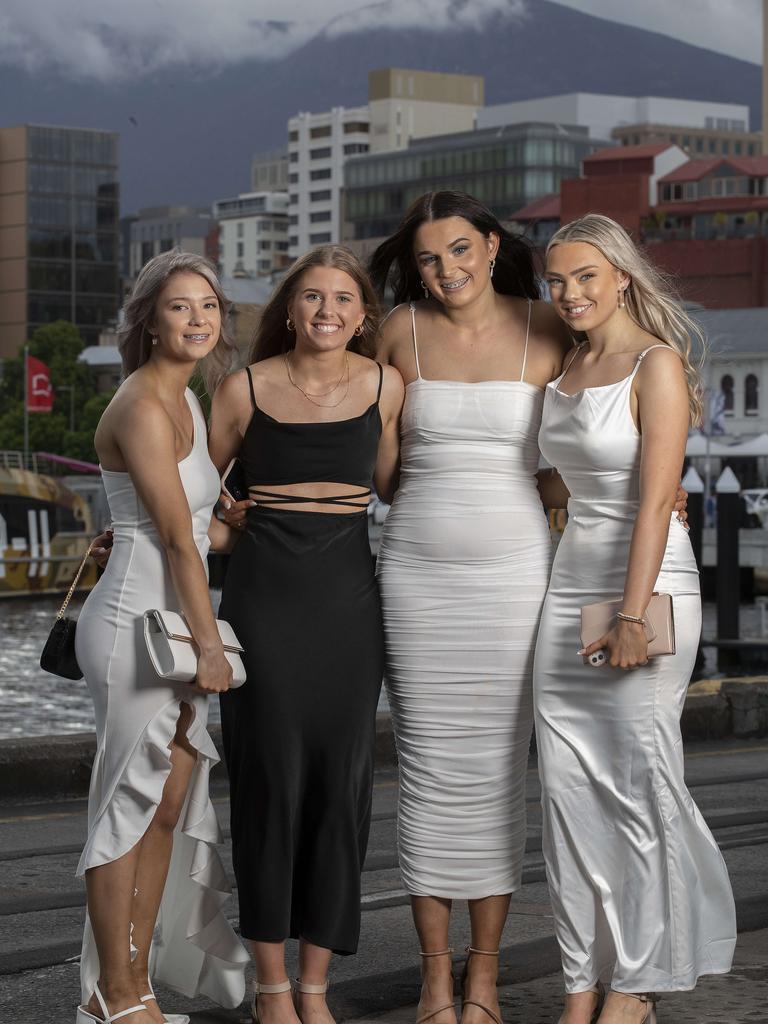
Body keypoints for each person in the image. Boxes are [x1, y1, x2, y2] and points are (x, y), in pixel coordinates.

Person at [368, 191, 574, 1024]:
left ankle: (483, 977)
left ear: (492, 247)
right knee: (422, 767)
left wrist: (646, 494)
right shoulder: (397, 333)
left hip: (517, 575)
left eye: (460, 251)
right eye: (428, 259)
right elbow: (382, 476)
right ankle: (433, 977)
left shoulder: (549, 327)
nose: (445, 270)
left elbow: (564, 470)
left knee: (498, 773)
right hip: (414, 572)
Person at [534, 214, 735, 1024]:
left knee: (639, 786)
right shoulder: (568, 365)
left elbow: (654, 499)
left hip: (643, 591)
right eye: (557, 281)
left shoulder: (657, 366)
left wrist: (628, 613)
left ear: (621, 276)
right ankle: (581, 983)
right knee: (567, 794)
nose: (570, 293)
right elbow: (564, 483)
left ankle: (638, 984)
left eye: (585, 276)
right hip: (566, 587)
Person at [212, 245, 403, 1024]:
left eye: (344, 300)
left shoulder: (388, 387)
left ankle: (316, 985)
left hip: (351, 609)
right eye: (312, 298)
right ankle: (270, 987)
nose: (328, 311)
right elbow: (191, 493)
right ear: (287, 310)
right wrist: (224, 520)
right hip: (263, 605)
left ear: (364, 317)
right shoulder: (241, 387)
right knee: (269, 783)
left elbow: (398, 486)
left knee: (342, 787)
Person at [75, 251, 248, 1024]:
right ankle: (111, 994)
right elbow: (176, 543)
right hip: (134, 628)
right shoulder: (144, 406)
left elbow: (195, 530)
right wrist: (212, 647)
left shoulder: (191, 399)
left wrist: (229, 526)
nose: (198, 319)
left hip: (171, 622)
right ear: (148, 320)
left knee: (167, 806)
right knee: (125, 808)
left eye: (208, 305)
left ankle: (136, 983)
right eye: (180, 307)